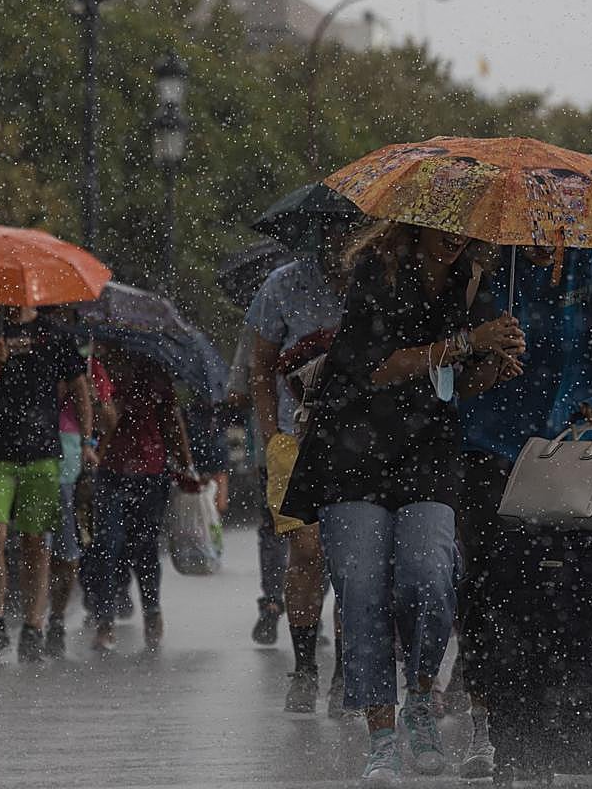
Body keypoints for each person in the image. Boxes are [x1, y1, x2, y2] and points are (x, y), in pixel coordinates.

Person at [280, 221, 523, 783]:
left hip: (428, 453)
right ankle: (382, 737)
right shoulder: (376, 272)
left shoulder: (473, 282)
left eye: (462, 228)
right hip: (353, 448)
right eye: (441, 226)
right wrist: (469, 342)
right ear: (416, 221)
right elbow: (380, 367)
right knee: (362, 585)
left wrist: (495, 363)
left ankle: (418, 697)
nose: (453, 237)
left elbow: (454, 386)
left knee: (430, 575)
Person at [455, 244, 592, 778]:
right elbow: (447, 353)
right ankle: (489, 722)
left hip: (568, 449)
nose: (544, 238)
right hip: (488, 447)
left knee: (568, 590)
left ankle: (566, 718)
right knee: (485, 587)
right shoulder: (489, 263)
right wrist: (480, 330)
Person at [0, 305, 96, 663]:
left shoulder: (55, 336)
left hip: (40, 452)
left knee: (35, 541)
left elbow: (80, 387)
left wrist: (86, 441)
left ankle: (34, 626)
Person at [246, 242, 345, 714]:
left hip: (360, 441)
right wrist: (270, 436)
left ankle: (348, 670)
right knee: (305, 550)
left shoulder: (377, 280)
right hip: (296, 437)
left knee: (352, 557)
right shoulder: (282, 284)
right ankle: (304, 667)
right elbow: (261, 365)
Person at [84, 347, 197, 653]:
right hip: (111, 468)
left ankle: (152, 613)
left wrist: (186, 463)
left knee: (145, 548)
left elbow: (171, 419)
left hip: (150, 470)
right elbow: (95, 421)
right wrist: (102, 401)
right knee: (106, 546)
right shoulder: (97, 370)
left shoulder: (155, 372)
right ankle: (105, 621)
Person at [46, 331, 120, 658]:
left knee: (80, 542)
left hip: (73, 459)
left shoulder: (90, 369)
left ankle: (80, 614)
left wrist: (88, 397)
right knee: (55, 542)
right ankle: (59, 615)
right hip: (40, 451)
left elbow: (108, 417)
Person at [229, 322, 287, 647]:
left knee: (273, 527)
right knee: (317, 528)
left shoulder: (261, 317)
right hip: (317, 444)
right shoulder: (336, 306)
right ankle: (305, 603)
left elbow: (236, 391)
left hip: (271, 445)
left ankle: (274, 600)